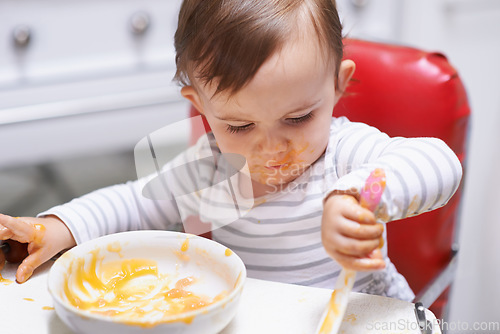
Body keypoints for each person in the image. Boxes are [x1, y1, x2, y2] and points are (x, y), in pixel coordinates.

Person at [0, 0, 461, 301]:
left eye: (298, 118)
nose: (272, 147)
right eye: (239, 125)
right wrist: (55, 229)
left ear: (338, 86)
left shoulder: (344, 154)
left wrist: (360, 196)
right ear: (201, 109)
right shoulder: (214, 172)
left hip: (364, 314)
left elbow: (437, 162)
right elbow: (131, 204)